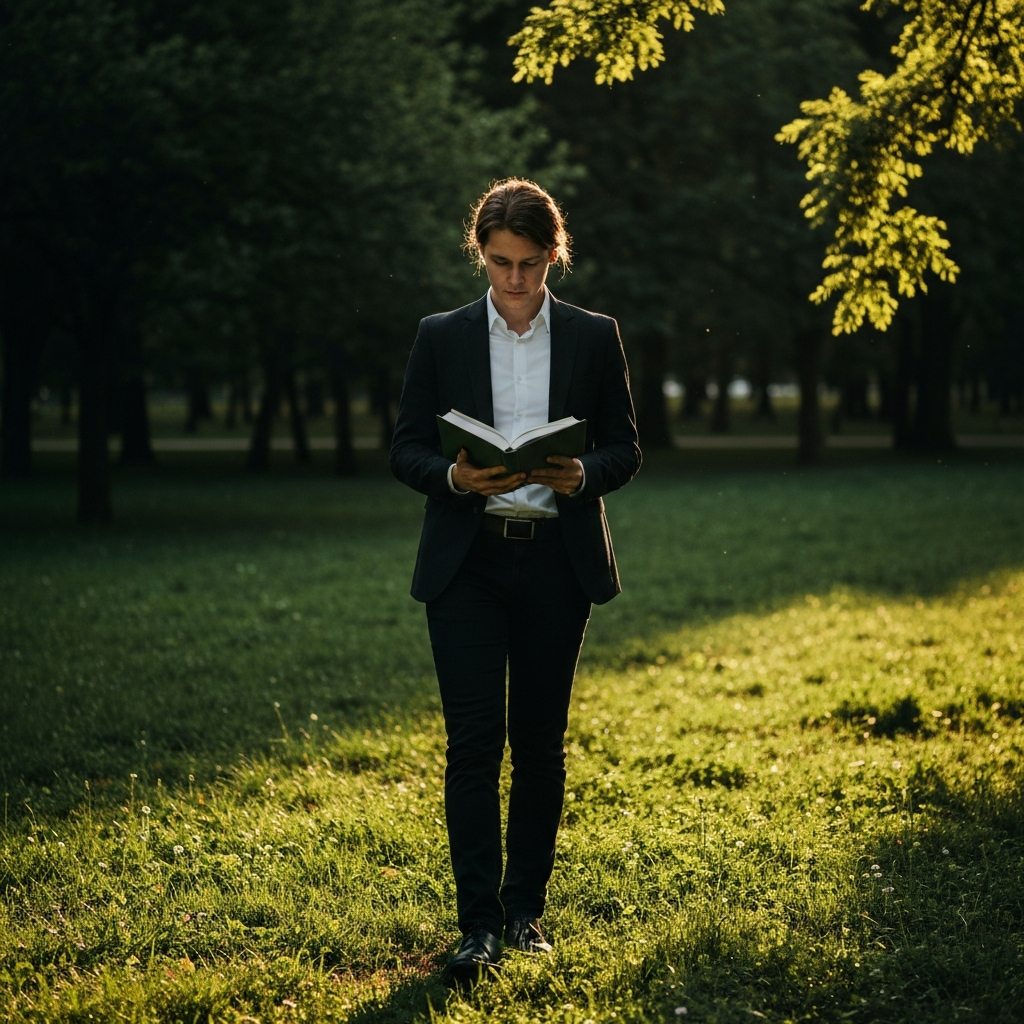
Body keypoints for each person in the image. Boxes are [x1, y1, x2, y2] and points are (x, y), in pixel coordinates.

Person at [390, 178, 641, 987]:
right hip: (468, 562)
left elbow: (626, 450)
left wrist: (582, 475)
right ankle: (477, 927)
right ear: (480, 254)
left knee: (539, 744)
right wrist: (457, 479)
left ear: (553, 256)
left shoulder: (595, 336)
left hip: (555, 563)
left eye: (530, 264)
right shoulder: (441, 335)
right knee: (473, 745)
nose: (515, 281)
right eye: (500, 263)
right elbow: (404, 450)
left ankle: (525, 911)